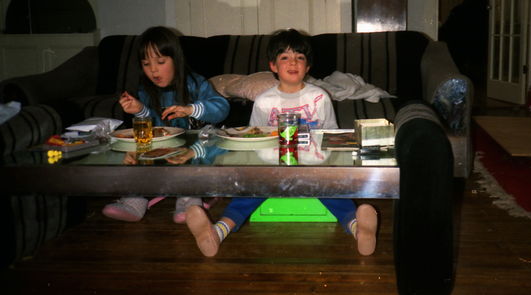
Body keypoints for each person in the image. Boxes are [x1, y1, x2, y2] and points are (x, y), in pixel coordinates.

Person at [185, 29, 378, 257]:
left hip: (312, 166)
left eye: (300, 57)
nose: (293, 62)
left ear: (307, 67)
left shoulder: (319, 97)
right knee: (248, 191)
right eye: (285, 57)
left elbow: (331, 135)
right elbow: (254, 138)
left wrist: (334, 165)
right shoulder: (265, 101)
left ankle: (359, 230)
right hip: (272, 167)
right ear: (273, 66)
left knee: (331, 189)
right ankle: (217, 232)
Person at [102, 26, 230, 223]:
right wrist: (140, 111)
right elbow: (157, 127)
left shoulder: (195, 83)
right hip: (166, 148)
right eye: (146, 64)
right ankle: (135, 199)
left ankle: (189, 200)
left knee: (204, 147)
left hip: (199, 148)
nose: (153, 70)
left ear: (176, 60)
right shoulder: (146, 89)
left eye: (161, 62)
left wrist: (191, 109)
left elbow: (222, 108)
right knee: (139, 150)